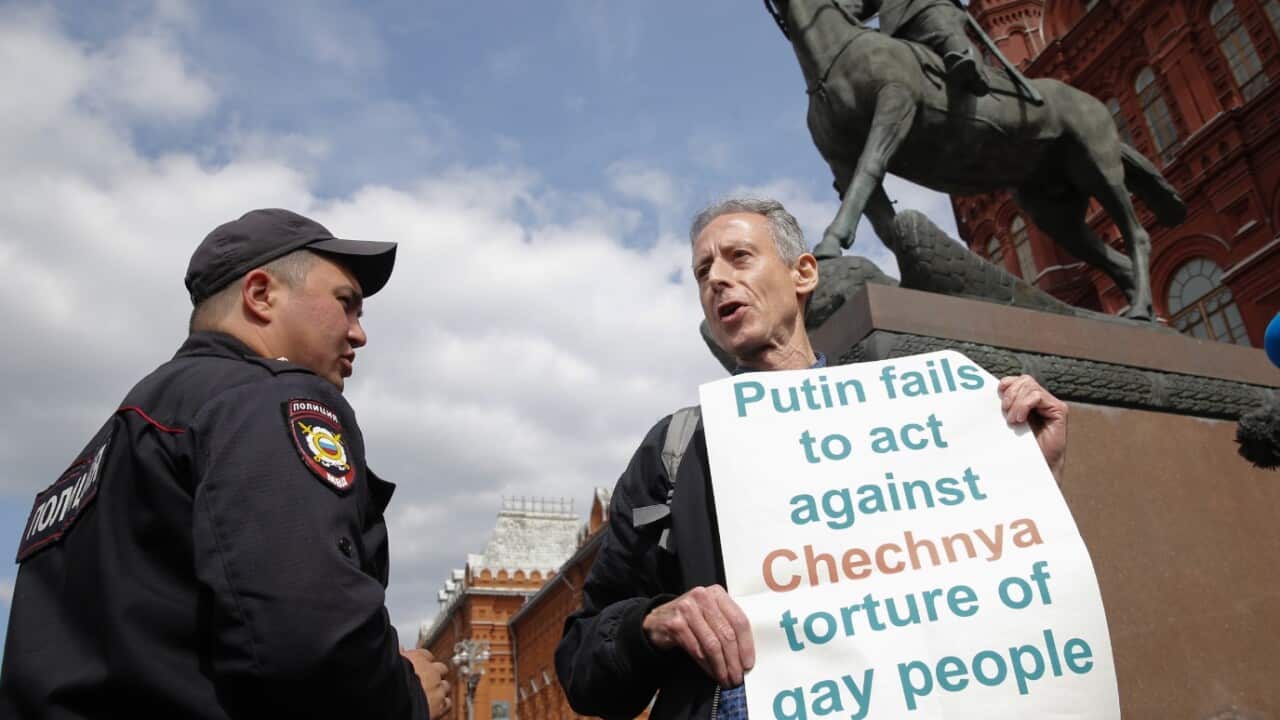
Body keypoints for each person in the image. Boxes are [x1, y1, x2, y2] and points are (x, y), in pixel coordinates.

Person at [555, 198, 1068, 719]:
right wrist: (652, 625)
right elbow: (582, 668)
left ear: (802, 274)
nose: (717, 281)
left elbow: (975, 584)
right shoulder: (676, 449)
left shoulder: (901, 419)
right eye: (703, 271)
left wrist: (1030, 474)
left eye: (739, 257)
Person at [0, 209, 451, 719]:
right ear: (260, 295)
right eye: (346, 305)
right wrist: (405, 695)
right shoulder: (266, 400)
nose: (358, 334)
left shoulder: (109, 446)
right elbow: (308, 632)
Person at [854, 0, 991, 95]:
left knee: (942, 33)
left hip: (924, 6)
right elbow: (857, 5)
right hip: (893, 29)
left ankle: (973, 71)